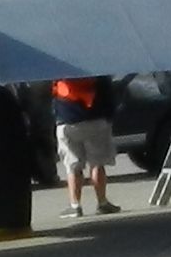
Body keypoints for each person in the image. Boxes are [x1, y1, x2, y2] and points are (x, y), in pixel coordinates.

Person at [50, 75, 121, 220]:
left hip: (67, 120)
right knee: (97, 163)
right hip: (96, 119)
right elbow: (109, 96)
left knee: (73, 165)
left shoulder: (60, 71)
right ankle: (102, 202)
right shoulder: (95, 69)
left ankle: (75, 206)